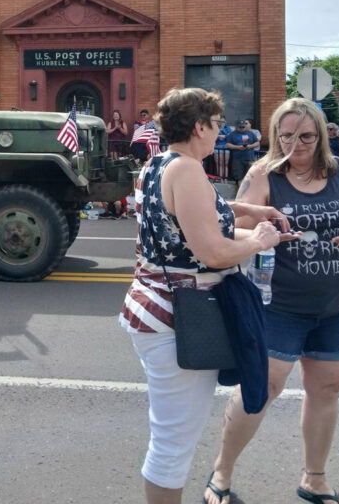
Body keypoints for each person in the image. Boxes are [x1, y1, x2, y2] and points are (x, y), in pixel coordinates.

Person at [204, 97, 339, 504]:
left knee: (328, 388)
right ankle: (222, 472)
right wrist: (263, 233)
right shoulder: (264, 175)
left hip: (335, 306)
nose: (295, 145)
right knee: (262, 388)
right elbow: (230, 233)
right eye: (285, 136)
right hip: (278, 304)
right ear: (274, 136)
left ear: (320, 134)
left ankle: (314, 478)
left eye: (305, 136)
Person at [119, 87, 283, 504]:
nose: (218, 133)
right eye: (216, 125)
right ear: (199, 126)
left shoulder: (157, 164)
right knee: (173, 443)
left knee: (171, 435)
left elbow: (198, 218)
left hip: (154, 306)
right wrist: (259, 240)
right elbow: (212, 251)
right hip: (180, 316)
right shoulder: (188, 170)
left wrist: (253, 216)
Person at [226, 120, 256, 184]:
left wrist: (250, 146)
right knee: (239, 177)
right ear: (237, 127)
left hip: (249, 158)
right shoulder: (232, 134)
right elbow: (228, 144)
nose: (242, 128)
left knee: (251, 177)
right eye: (240, 127)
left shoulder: (250, 133)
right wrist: (238, 147)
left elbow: (257, 142)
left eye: (243, 127)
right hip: (238, 159)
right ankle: (241, 192)